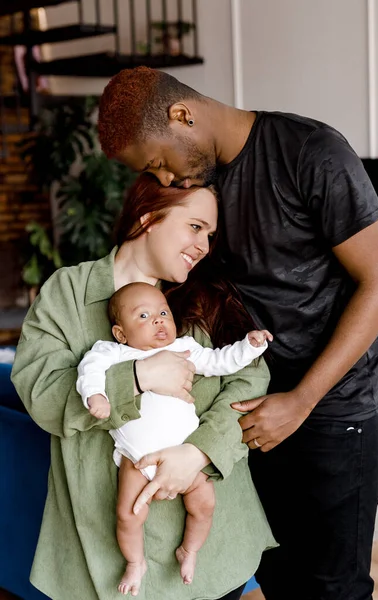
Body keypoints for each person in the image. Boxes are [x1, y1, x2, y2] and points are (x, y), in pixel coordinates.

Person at [97, 66, 378, 600]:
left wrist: (302, 400)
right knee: (274, 578)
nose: (165, 180)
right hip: (242, 415)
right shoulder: (196, 184)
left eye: (159, 163)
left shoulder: (309, 152)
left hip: (332, 410)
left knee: (332, 589)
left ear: (182, 116)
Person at [11, 173, 277, 600]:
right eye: (195, 227)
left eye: (210, 234)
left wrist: (199, 451)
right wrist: (138, 377)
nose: (204, 246)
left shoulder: (206, 295)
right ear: (148, 217)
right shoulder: (68, 291)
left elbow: (249, 377)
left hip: (210, 542)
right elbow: (42, 395)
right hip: (100, 549)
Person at [77, 281, 272, 594]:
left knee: (204, 505)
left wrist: (248, 347)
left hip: (186, 456)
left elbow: (219, 361)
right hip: (136, 457)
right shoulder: (113, 353)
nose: (157, 320)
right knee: (128, 515)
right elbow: (90, 370)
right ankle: (135, 562)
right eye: (143, 316)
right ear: (121, 333)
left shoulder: (184, 348)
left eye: (163, 312)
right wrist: (96, 395)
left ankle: (189, 550)